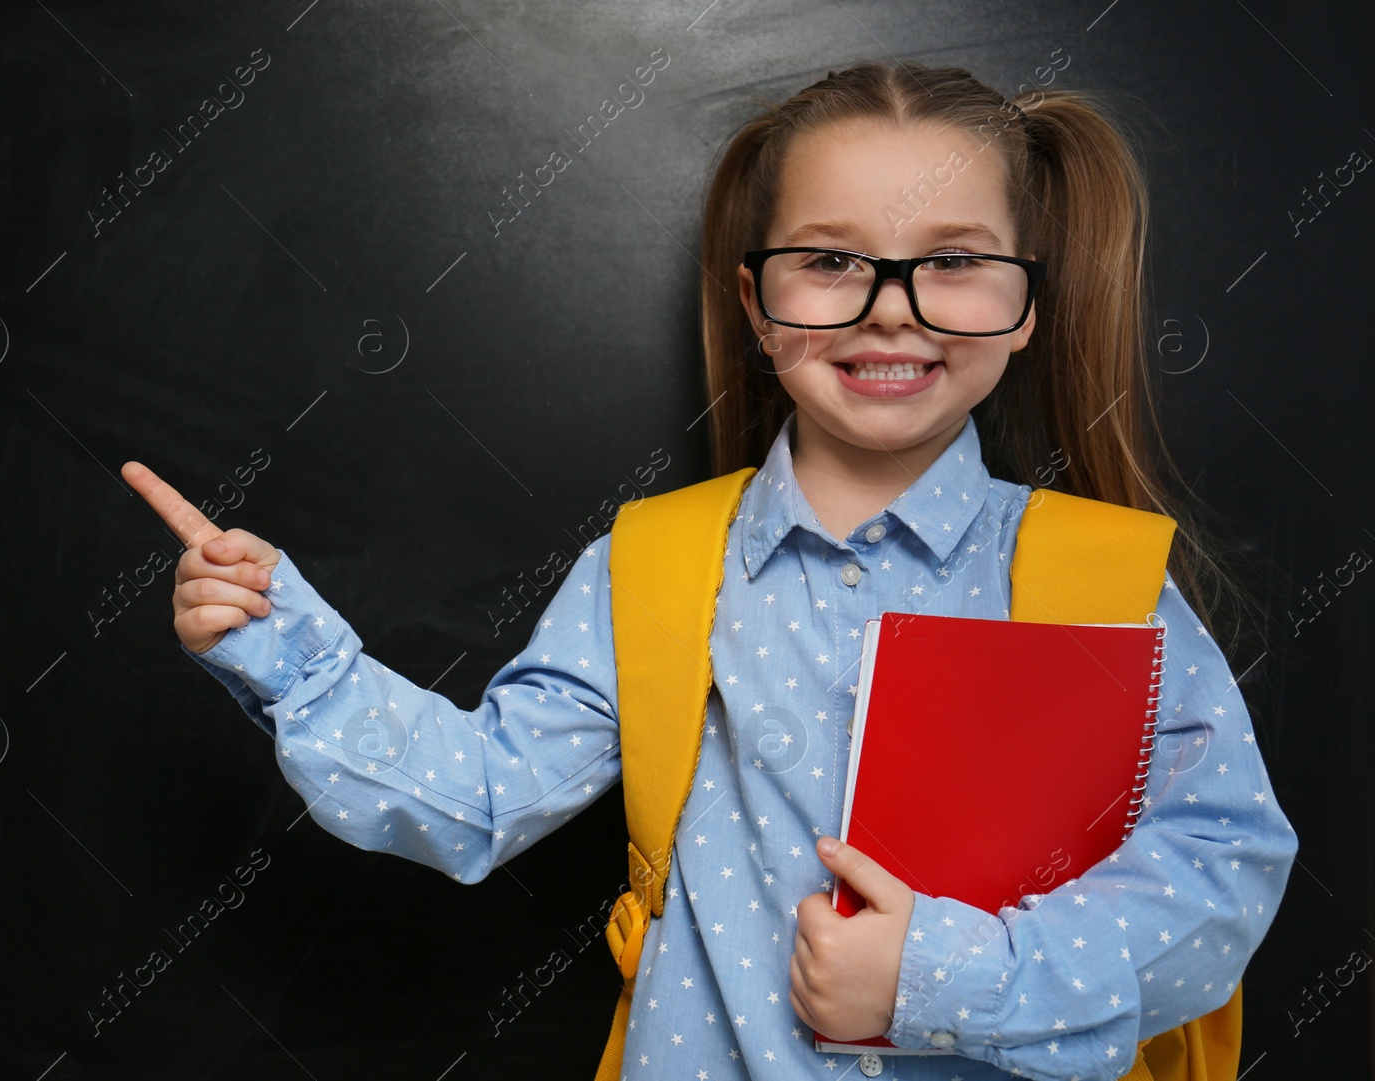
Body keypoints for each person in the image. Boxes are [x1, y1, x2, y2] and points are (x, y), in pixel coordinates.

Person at [123, 58, 1296, 1080]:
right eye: (830, 260)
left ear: (1026, 303)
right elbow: (475, 796)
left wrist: (938, 977)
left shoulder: (1104, 579)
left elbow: (1219, 874)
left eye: (951, 262)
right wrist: (285, 648)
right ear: (756, 302)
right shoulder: (655, 563)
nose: (892, 314)